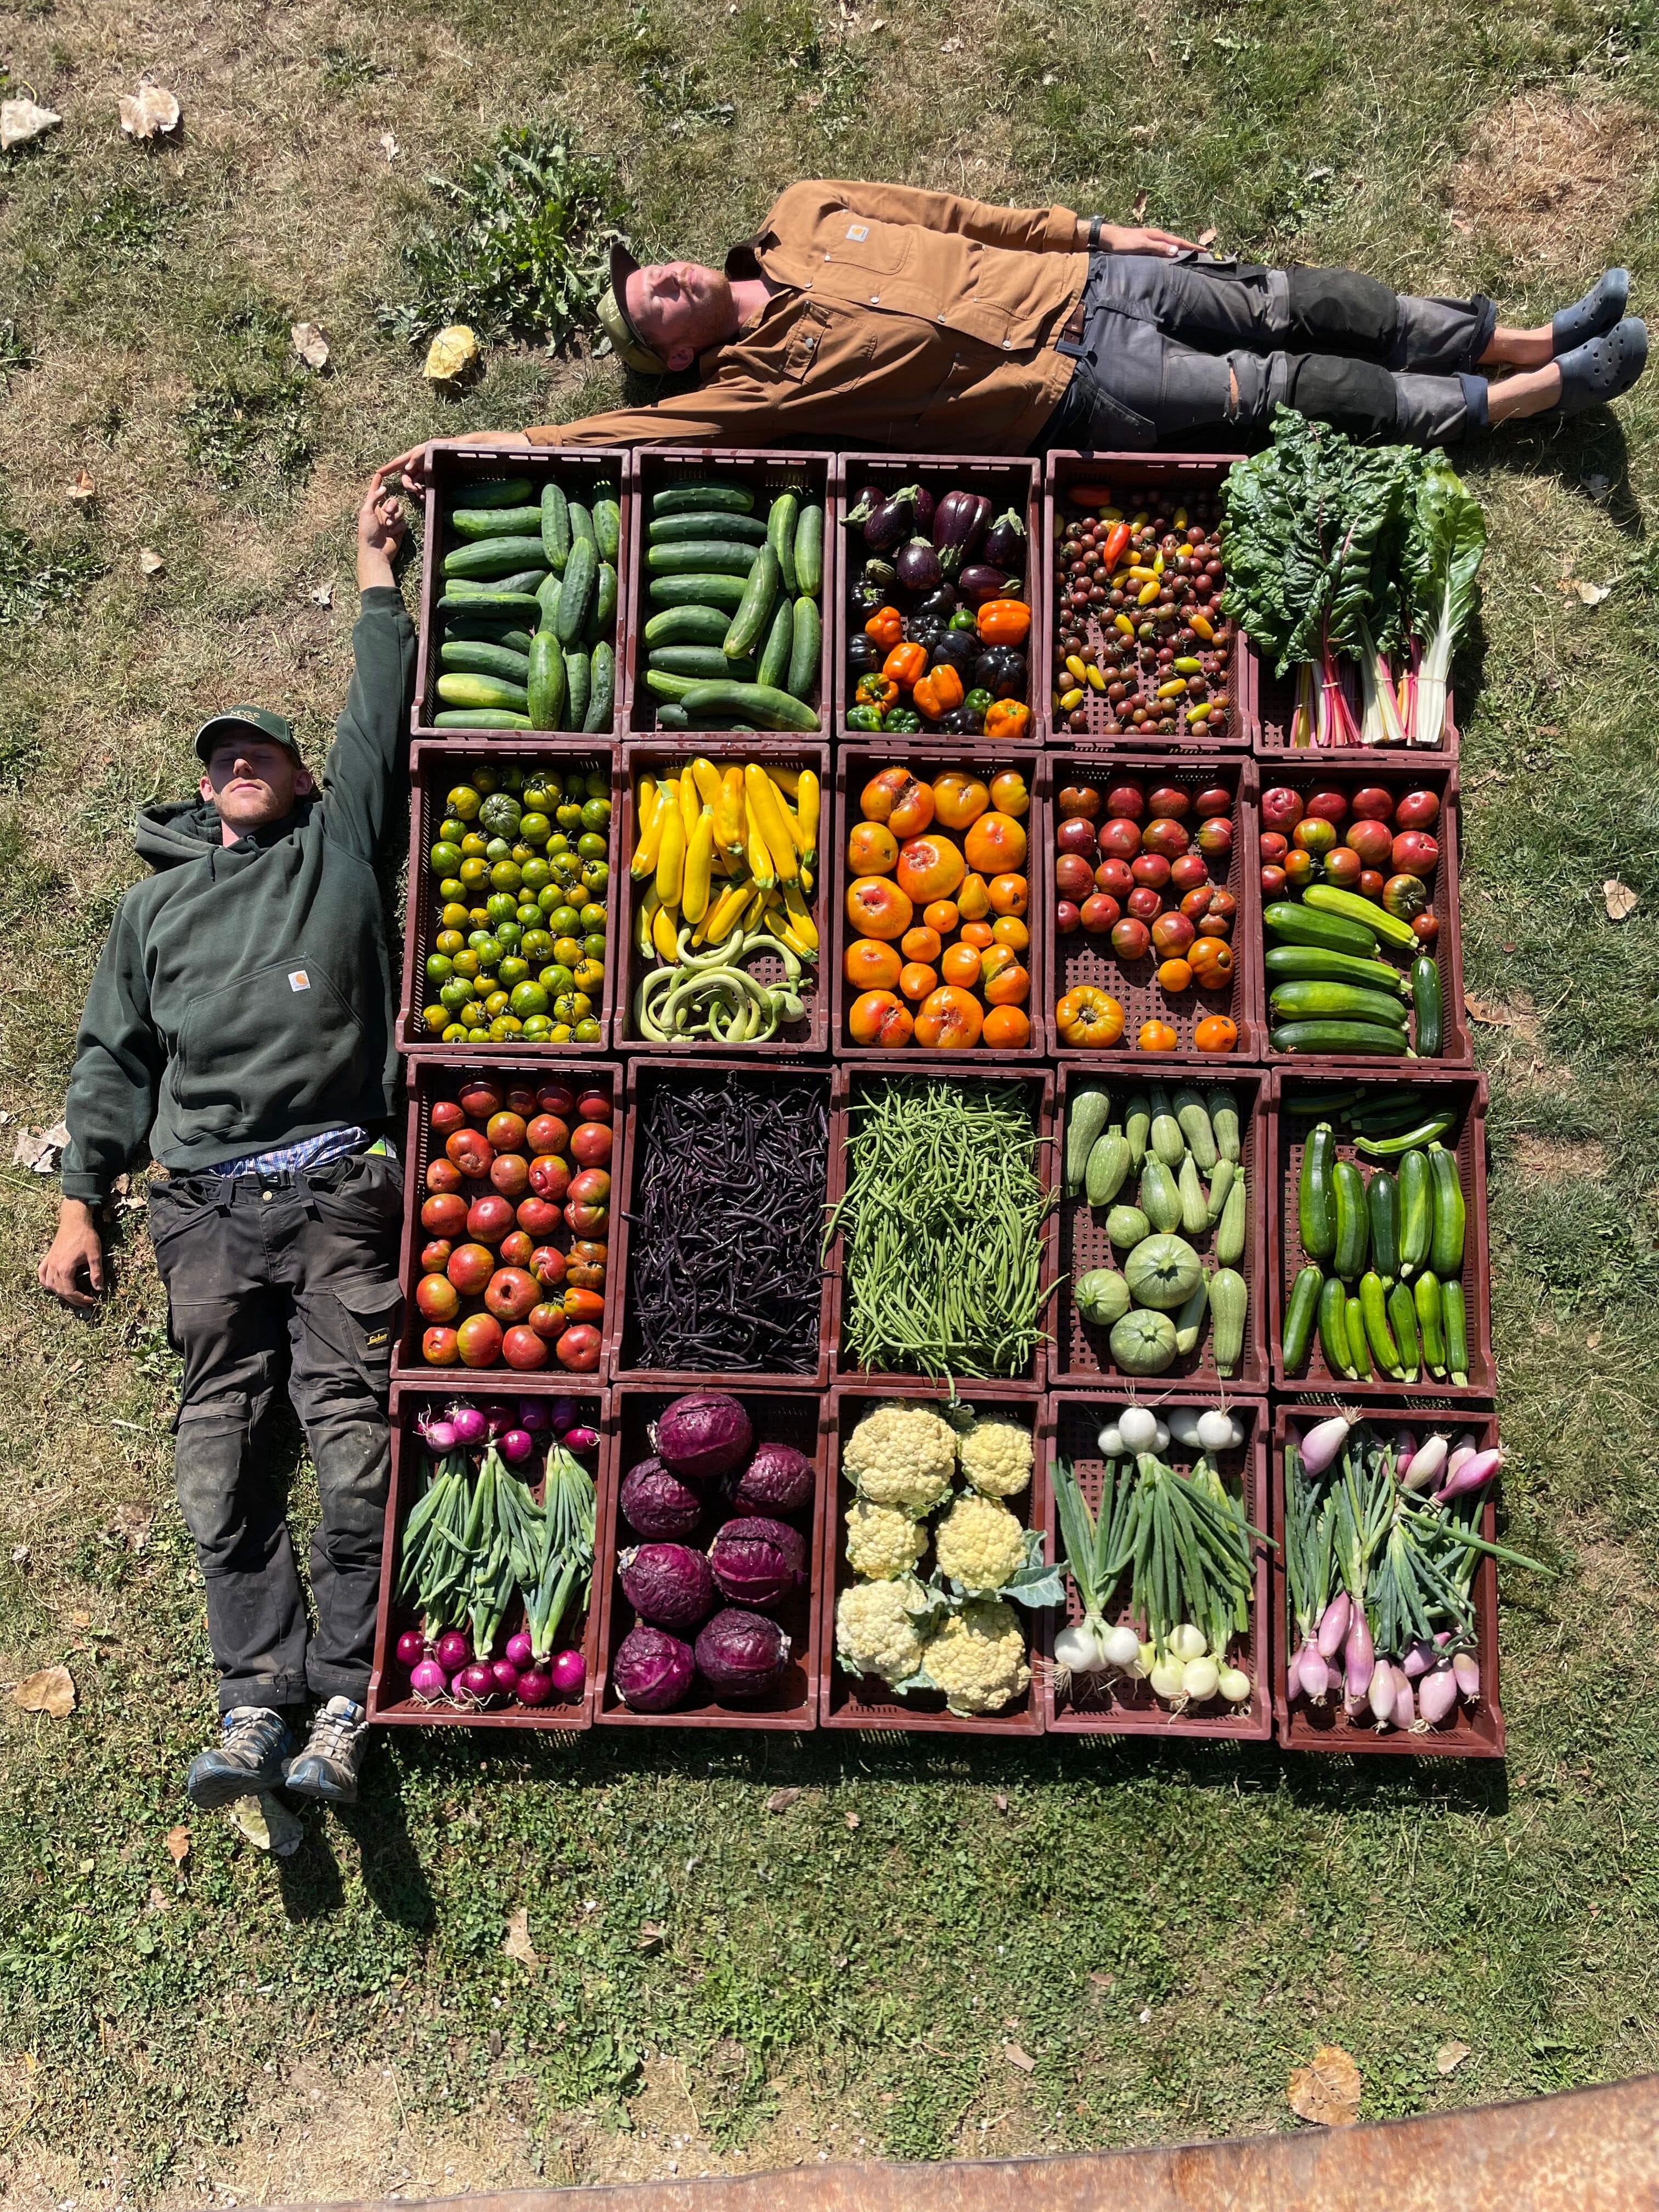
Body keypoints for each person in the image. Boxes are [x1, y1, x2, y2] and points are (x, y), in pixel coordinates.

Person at [39, 467, 417, 1813]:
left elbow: (379, 715)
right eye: (218, 760)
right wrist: (84, 1199)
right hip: (196, 1205)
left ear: (305, 779)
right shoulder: (153, 920)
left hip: (334, 1188)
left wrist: (378, 577)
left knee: (355, 1442)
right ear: (201, 798)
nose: (236, 766)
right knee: (218, 1455)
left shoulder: (345, 855)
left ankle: (347, 1701)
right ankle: (256, 1697)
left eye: (259, 751)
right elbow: (112, 1057)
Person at [392, 180, 1645, 468]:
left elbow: (957, 213)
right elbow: (616, 438)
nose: (662, 277)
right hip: (1076, 392)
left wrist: (1099, 235)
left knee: (1311, 302)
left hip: (1097, 289)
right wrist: (464, 453)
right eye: (651, 306)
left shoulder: (803, 207)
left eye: (651, 269)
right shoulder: (747, 392)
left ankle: (1529, 336)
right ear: (678, 353)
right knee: (1300, 395)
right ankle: (1542, 399)